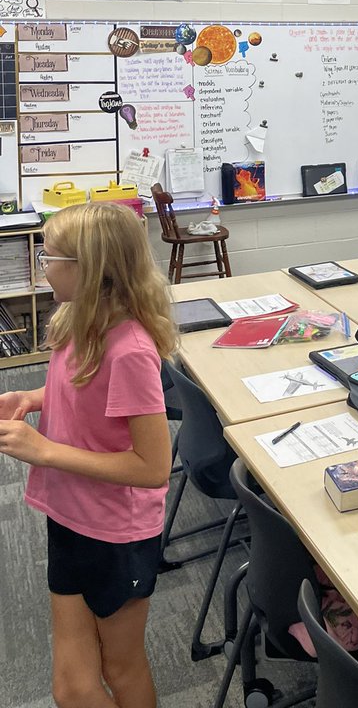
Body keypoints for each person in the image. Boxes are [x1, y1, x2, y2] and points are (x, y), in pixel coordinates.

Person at [0, 202, 177, 708]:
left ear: (88, 269)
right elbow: (85, 396)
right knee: (72, 688)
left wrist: (46, 451)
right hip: (70, 514)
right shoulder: (76, 323)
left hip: (115, 534)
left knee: (120, 669)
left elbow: (152, 467)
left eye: (48, 258)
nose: (43, 266)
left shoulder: (130, 352)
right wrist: (34, 398)